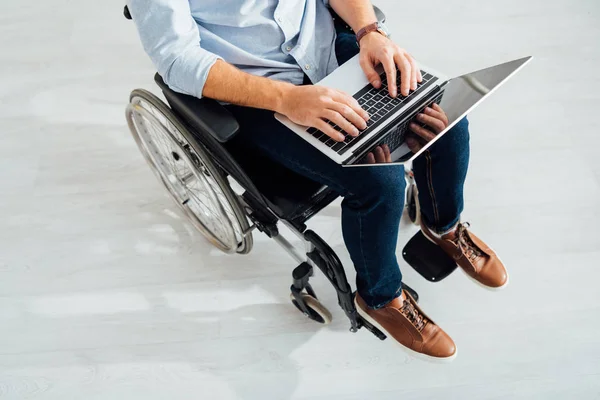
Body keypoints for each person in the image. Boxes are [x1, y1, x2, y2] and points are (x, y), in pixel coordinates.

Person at [128, 0, 508, 361]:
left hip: (327, 49)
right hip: (261, 93)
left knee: (446, 123)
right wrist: (288, 99)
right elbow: (177, 60)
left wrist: (369, 32)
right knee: (380, 183)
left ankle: (443, 226)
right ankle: (379, 297)